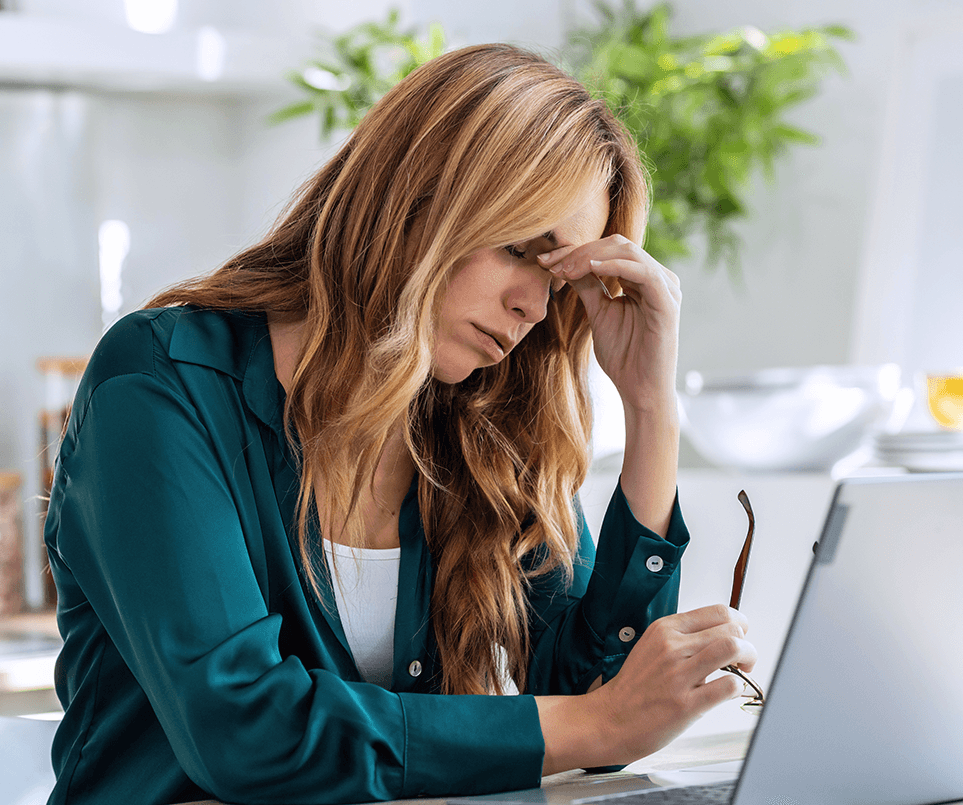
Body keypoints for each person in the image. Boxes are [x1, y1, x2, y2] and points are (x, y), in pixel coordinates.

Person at [43, 43, 757, 805]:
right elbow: (248, 728)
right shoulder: (160, 385)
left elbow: (603, 698)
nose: (536, 307)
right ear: (417, 198)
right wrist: (599, 725)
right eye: (521, 250)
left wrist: (650, 406)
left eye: (558, 280)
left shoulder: (478, 422)